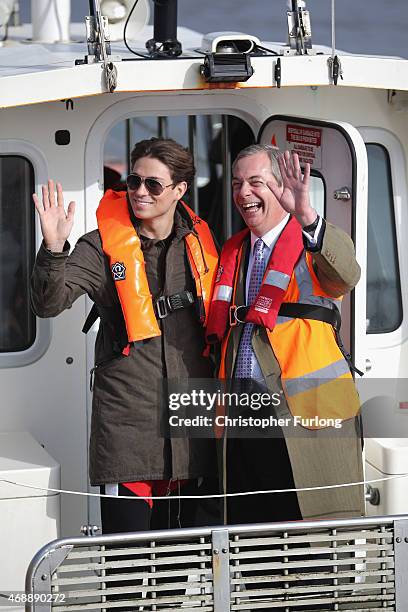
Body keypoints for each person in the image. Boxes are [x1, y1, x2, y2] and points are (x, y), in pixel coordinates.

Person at [31, 137, 220, 533]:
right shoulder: (101, 246)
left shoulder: (201, 246)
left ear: (179, 190)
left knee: (178, 572)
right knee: (127, 571)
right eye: (134, 181)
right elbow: (49, 303)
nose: (139, 192)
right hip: (128, 433)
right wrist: (52, 248)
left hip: (192, 435)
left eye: (154, 184)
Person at [206, 144, 365, 525]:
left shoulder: (311, 243)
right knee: (251, 542)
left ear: (282, 189)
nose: (244, 193)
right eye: (238, 183)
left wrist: (307, 215)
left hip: (304, 417)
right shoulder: (232, 252)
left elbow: (346, 274)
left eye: (256, 182)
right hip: (243, 419)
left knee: (311, 544)